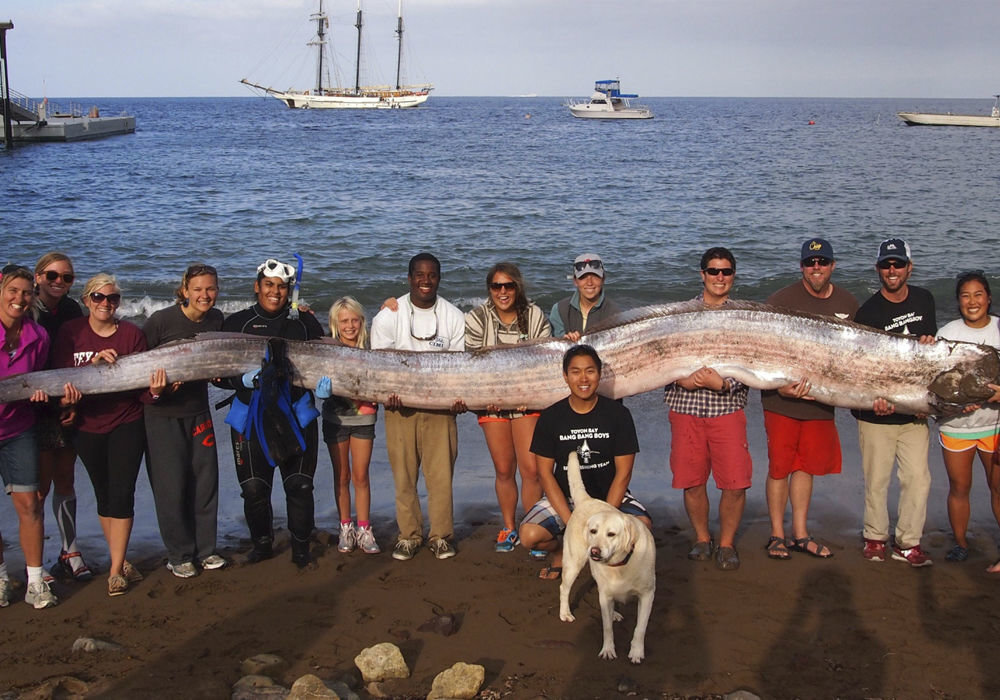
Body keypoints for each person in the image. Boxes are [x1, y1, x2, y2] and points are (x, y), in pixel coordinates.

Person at [219, 258, 325, 568]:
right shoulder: (237, 323)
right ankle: (262, 545)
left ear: (289, 290)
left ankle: (302, 550)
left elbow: (325, 364)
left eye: (281, 286)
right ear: (257, 287)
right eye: (269, 285)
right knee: (254, 488)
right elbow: (218, 373)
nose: (275, 292)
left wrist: (323, 388)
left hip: (297, 414)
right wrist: (239, 380)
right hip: (249, 415)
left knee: (299, 485)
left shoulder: (305, 322)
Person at [518, 344, 651, 580]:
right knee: (529, 536)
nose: (583, 378)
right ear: (565, 376)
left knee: (642, 529)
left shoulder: (618, 415)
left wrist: (607, 515)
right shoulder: (551, 417)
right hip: (567, 497)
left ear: (599, 375)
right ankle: (560, 552)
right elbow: (545, 475)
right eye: (575, 371)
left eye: (590, 371)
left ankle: (611, 567)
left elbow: (624, 474)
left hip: (609, 496)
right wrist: (574, 525)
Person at [761, 238, 858, 560]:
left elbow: (857, 358)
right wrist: (777, 387)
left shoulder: (848, 302)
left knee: (806, 468)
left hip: (820, 402)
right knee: (779, 468)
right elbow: (759, 348)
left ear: (832, 265)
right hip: (781, 402)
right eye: (810, 263)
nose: (816, 268)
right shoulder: (781, 299)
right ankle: (777, 534)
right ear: (802, 266)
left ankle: (800, 533)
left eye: (823, 262)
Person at [54, 274, 150, 597]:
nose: (106, 303)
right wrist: (91, 369)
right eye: (98, 297)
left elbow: (142, 390)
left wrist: (159, 389)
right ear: (86, 300)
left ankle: (115, 570)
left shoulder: (132, 335)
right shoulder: (71, 333)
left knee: (123, 492)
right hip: (86, 424)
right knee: (104, 493)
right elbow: (60, 379)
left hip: (126, 421)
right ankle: (119, 561)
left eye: (112, 299)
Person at [370, 252, 466, 561]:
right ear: (410, 278)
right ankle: (408, 535)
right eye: (420, 275)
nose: (426, 280)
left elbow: (460, 366)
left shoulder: (454, 316)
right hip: (399, 408)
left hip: (441, 409)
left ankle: (441, 536)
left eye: (432, 275)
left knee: (440, 477)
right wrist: (389, 393)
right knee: (404, 475)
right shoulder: (388, 315)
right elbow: (379, 365)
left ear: (439, 278)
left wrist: (457, 399)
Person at [663, 247, 752, 571]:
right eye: (713, 271)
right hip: (685, 407)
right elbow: (660, 356)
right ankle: (702, 537)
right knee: (692, 480)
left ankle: (726, 543)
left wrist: (725, 385)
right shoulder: (679, 315)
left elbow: (756, 360)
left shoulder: (744, 318)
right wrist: (681, 379)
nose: (719, 277)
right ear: (702, 274)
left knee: (736, 482)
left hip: (727, 408)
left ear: (733, 276)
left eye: (726, 272)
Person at [851, 239, 937, 567]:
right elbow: (859, 366)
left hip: (914, 412)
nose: (892, 270)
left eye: (898, 264)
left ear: (909, 268)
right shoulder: (868, 311)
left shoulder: (925, 299)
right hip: (877, 412)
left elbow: (928, 357)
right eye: (886, 265)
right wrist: (875, 400)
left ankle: (908, 543)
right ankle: (875, 538)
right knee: (877, 479)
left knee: (918, 478)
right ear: (877, 270)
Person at [142, 264, 227, 578]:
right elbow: (136, 365)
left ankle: (206, 550)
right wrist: (156, 389)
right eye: (198, 289)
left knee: (206, 482)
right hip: (162, 415)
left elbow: (224, 357)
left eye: (211, 289)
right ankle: (178, 554)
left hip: (199, 411)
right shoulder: (161, 321)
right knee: (171, 487)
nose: (205, 295)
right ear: (185, 291)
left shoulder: (217, 320)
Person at [465, 262, 552, 553]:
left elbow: (543, 360)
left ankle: (532, 526)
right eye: (496, 286)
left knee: (531, 470)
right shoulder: (477, 318)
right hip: (492, 403)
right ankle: (508, 527)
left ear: (518, 286)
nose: (503, 292)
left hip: (528, 400)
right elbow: (473, 365)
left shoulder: (535, 315)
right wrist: (487, 397)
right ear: (489, 290)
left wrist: (529, 394)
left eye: (508, 286)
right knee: (503, 469)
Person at [0, 265, 72, 609]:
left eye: (26, 293)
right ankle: (1, 576)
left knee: (30, 504)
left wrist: (42, 396)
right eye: (13, 291)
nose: (19, 299)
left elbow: (39, 379)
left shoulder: (38, 336)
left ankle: (34, 581)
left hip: (18, 429)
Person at [32, 252, 92, 581]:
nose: (59, 283)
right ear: (38, 277)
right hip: (32, 405)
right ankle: (35, 558)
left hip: (66, 400)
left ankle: (70, 549)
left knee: (65, 479)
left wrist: (71, 402)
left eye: (67, 278)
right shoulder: (27, 309)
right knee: (38, 486)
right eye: (52, 276)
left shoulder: (71, 310)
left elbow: (77, 358)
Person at [936, 271, 1000, 571]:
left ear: (988, 297)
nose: (972, 301)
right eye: (965, 295)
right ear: (958, 301)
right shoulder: (946, 332)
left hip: (994, 426)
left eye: (978, 294)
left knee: (998, 487)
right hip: (957, 427)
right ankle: (961, 544)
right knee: (959, 487)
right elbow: (935, 381)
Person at [317, 296, 380, 556]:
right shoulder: (327, 349)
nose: (350, 325)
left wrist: (387, 304)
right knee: (341, 476)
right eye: (344, 321)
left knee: (361, 476)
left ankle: (365, 529)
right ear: (335, 324)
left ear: (362, 322)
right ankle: (346, 526)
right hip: (336, 419)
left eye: (355, 320)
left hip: (364, 418)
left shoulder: (371, 348)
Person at [549, 253, 621, 341]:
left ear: (603, 279)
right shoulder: (559, 310)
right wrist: (565, 341)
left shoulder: (614, 313)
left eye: (595, 276)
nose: (589, 282)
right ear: (575, 281)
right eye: (583, 277)